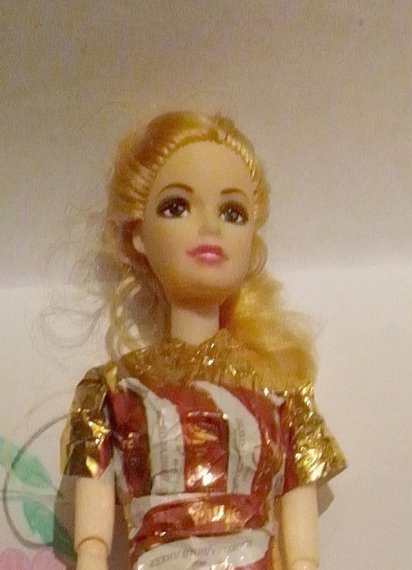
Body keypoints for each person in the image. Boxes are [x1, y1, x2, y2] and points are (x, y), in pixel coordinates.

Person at [61, 112, 345, 570]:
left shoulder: (281, 391)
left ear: (251, 243)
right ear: (139, 235)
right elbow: (92, 542)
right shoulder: (113, 390)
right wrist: (90, 554)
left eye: (232, 213)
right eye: (177, 206)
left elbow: (303, 553)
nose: (210, 228)